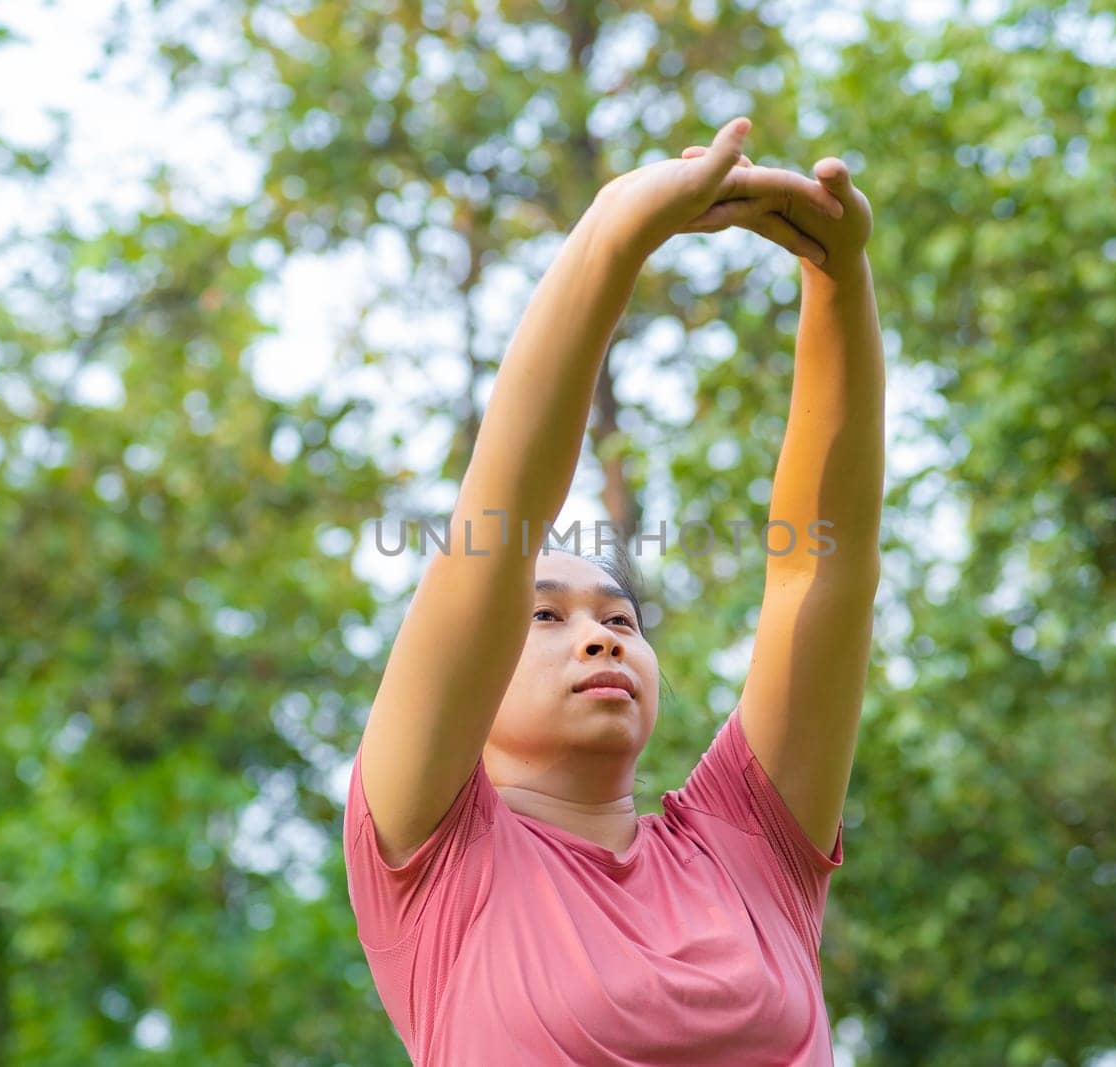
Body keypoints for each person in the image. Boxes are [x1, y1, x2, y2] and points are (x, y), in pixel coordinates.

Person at [344, 116, 885, 1065]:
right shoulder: (435, 858)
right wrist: (614, 231)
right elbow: (499, 517)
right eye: (545, 616)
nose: (601, 639)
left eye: (620, 619)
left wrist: (837, 280)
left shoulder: (748, 847)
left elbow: (822, 570)